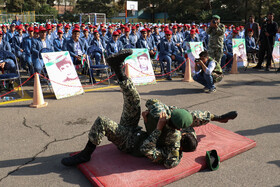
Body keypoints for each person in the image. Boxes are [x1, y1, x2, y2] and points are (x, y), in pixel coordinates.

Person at [61, 49, 238, 168]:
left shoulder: (172, 152)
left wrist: (157, 129)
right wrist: (219, 117)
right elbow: (199, 116)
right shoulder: (181, 121)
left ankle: (86, 154)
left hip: (128, 143)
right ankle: (118, 69)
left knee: (102, 122)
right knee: (134, 99)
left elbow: (148, 151)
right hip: (135, 129)